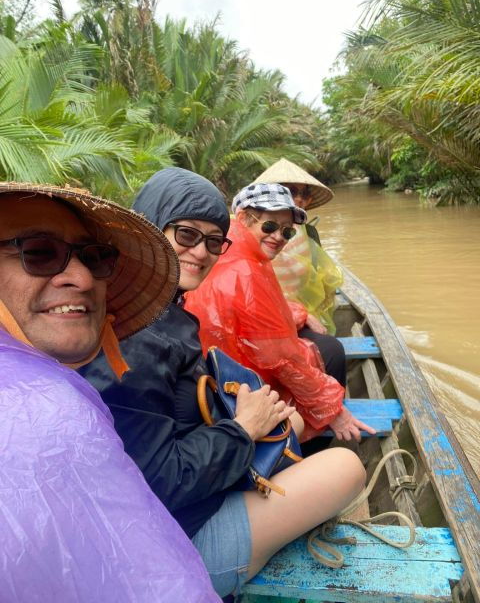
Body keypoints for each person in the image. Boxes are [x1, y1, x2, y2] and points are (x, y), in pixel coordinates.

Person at [82, 168, 367, 598]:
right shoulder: (141, 338)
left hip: (183, 477)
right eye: (185, 235)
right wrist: (243, 429)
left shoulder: (156, 309)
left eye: (213, 241)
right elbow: (159, 482)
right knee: (346, 465)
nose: (201, 251)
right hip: (168, 544)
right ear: (147, 229)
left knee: (296, 424)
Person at [0, 182, 219, 602]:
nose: (82, 277)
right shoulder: (48, 406)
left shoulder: (56, 383)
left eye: (94, 257)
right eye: (38, 252)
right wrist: (241, 432)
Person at [186, 182, 376, 444]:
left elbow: (259, 313)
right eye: (269, 226)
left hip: (218, 364)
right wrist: (332, 410)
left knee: (322, 343)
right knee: (331, 351)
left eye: (287, 231)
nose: (278, 237)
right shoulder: (247, 270)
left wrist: (299, 313)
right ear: (243, 218)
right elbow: (282, 360)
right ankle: (312, 451)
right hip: (239, 382)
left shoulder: (225, 248)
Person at [254, 157, 343, 337]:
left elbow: (321, 279)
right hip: (263, 312)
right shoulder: (252, 228)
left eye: (304, 194)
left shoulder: (309, 233)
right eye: (291, 192)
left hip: (299, 312)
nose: (299, 199)